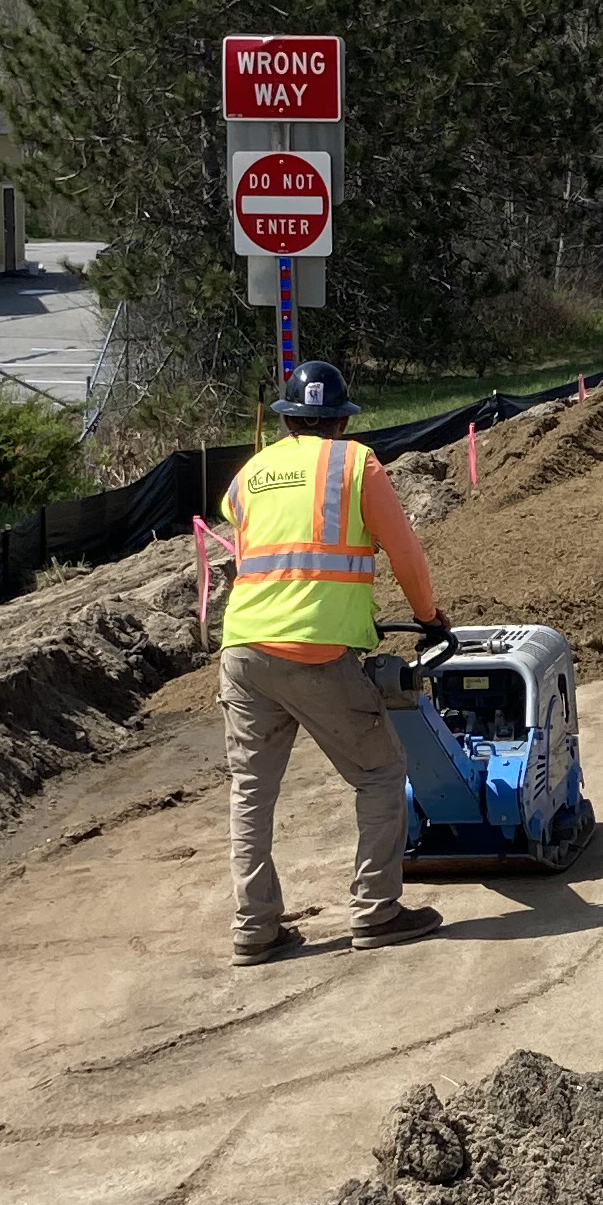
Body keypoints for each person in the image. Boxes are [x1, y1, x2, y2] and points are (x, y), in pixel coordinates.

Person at [216, 358, 449, 965]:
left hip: (242, 649)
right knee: (378, 772)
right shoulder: (355, 464)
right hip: (314, 654)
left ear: (290, 419)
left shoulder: (251, 472)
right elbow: (404, 553)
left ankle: (254, 927)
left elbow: (263, 548)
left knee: (250, 791)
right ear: (342, 421)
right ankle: (377, 911)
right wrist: (428, 619)